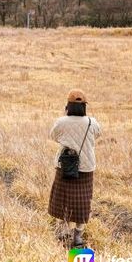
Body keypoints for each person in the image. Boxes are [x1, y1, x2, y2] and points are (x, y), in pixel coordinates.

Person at [47, 89, 102, 247]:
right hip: (86, 167)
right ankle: (78, 236)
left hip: (65, 165)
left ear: (68, 105)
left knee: (62, 200)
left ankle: (62, 230)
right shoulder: (92, 122)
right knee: (83, 202)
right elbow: (98, 135)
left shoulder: (61, 121)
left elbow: (53, 136)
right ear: (84, 106)